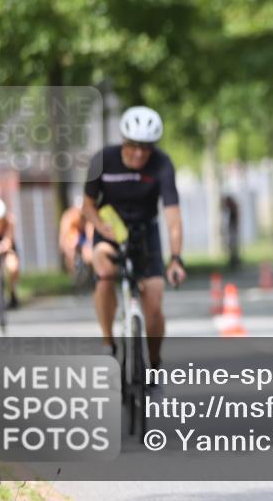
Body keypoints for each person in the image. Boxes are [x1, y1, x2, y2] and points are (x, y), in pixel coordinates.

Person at [82, 106, 186, 377]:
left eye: (146, 147)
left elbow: (173, 216)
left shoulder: (162, 164)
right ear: (123, 141)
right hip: (110, 230)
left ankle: (153, 364)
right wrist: (99, 226)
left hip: (145, 232)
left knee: (154, 302)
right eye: (133, 146)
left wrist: (176, 258)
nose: (139, 153)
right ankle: (108, 343)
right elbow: (88, 205)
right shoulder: (102, 160)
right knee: (104, 272)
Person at [58, 197, 94, 277]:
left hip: (83, 237)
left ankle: (90, 273)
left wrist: (90, 242)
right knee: (71, 249)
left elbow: (90, 230)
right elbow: (64, 233)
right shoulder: (69, 217)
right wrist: (63, 245)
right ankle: (72, 274)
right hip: (73, 236)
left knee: (89, 252)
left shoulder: (87, 216)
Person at [221, 194, 240, 269]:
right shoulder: (230, 208)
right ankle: (233, 260)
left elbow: (237, 217)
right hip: (231, 227)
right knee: (230, 245)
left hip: (233, 227)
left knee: (233, 245)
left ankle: (234, 260)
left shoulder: (233, 207)